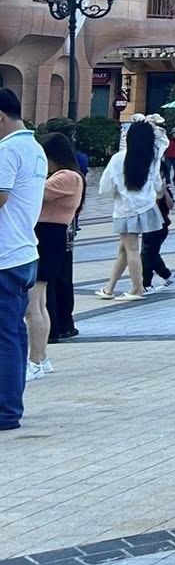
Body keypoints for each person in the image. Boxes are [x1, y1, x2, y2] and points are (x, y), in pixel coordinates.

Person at [0, 88, 45, 431]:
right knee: (13, 333)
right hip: (23, 252)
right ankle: (10, 406)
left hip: (5, 256)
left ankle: (5, 411)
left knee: (6, 335)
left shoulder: (7, 150)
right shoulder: (35, 148)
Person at [27, 130, 83, 375]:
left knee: (34, 304)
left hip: (48, 237)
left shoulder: (67, 177)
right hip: (50, 237)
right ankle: (41, 358)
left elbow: (33, 192)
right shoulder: (69, 176)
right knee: (39, 302)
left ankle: (36, 360)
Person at [99, 119, 165, 300]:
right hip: (145, 207)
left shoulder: (118, 158)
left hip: (125, 209)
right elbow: (157, 184)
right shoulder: (151, 158)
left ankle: (137, 288)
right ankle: (109, 288)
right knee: (125, 249)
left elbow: (105, 187)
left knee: (131, 249)